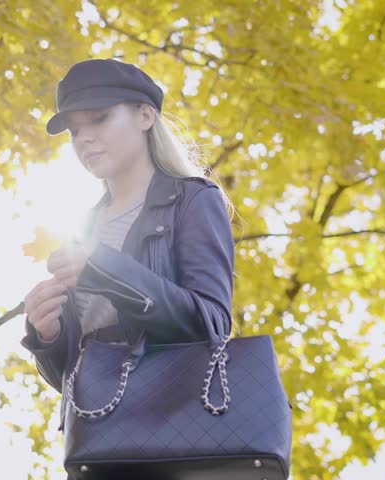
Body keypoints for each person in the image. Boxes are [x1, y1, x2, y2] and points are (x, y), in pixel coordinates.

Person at [19, 58, 237, 478]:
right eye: (75, 131)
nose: (84, 139)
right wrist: (47, 335)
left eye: (99, 119)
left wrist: (103, 269)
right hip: (99, 444)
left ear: (144, 115)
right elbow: (71, 372)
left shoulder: (193, 199)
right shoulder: (80, 229)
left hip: (180, 432)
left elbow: (211, 325)